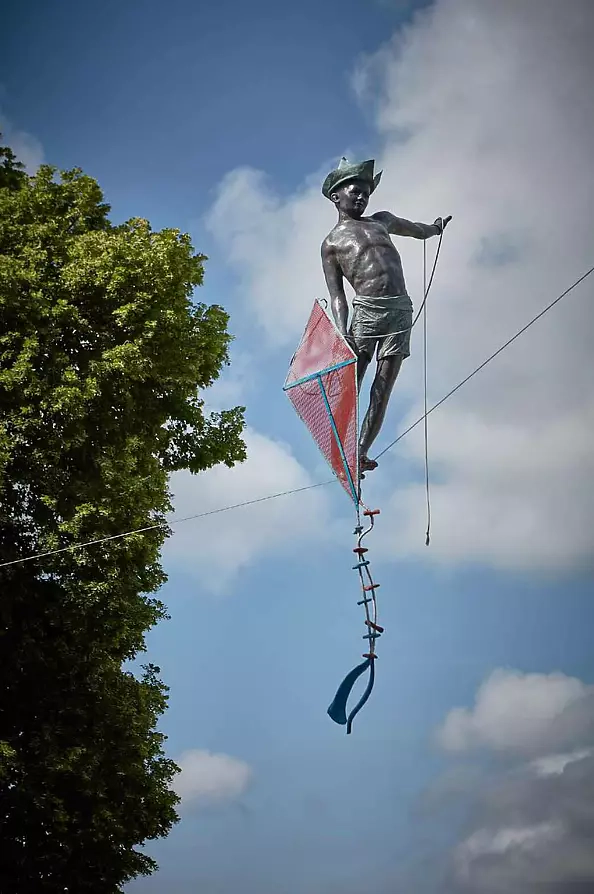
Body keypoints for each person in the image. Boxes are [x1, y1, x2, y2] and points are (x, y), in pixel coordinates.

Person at [321, 157, 451, 476]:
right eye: (355, 192)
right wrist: (342, 332)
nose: (362, 197)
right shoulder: (331, 244)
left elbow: (416, 229)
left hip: (399, 311)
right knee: (354, 379)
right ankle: (343, 446)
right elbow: (338, 297)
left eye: (366, 193)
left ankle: (361, 451)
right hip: (367, 311)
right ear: (337, 196)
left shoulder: (381, 221)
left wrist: (435, 229)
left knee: (383, 387)